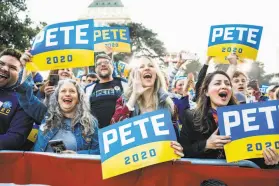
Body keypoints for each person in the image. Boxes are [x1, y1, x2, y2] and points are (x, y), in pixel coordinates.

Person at [180, 71, 279, 168]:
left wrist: (269, 160)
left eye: (227, 84)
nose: (224, 86)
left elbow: (253, 159)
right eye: (217, 83)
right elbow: (183, 152)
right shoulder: (190, 116)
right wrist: (206, 144)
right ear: (206, 92)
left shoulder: (247, 117)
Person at [110, 56, 184, 157]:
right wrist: (134, 96)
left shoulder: (169, 105)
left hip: (161, 166)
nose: (147, 68)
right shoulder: (124, 101)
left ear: (156, 74)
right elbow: (113, 130)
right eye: (141, 67)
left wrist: (178, 148)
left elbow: (176, 139)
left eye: (151, 66)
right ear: (134, 75)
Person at [33, 79, 99, 154]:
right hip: (39, 164)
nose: (67, 94)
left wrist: (77, 155)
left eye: (72, 91)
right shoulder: (46, 115)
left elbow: (98, 151)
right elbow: (26, 99)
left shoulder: (90, 122)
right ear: (57, 98)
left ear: (78, 98)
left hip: (72, 165)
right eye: (63, 91)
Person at [0, 48, 34, 150]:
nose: (4, 68)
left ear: (20, 73)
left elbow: (15, 139)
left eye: (12, 68)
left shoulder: (24, 100)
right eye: (1, 63)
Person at [85, 54, 127, 129]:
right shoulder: (88, 89)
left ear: (113, 67)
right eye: (99, 64)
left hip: (122, 131)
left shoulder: (124, 84)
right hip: (97, 134)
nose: (103, 64)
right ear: (95, 69)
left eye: (106, 62)